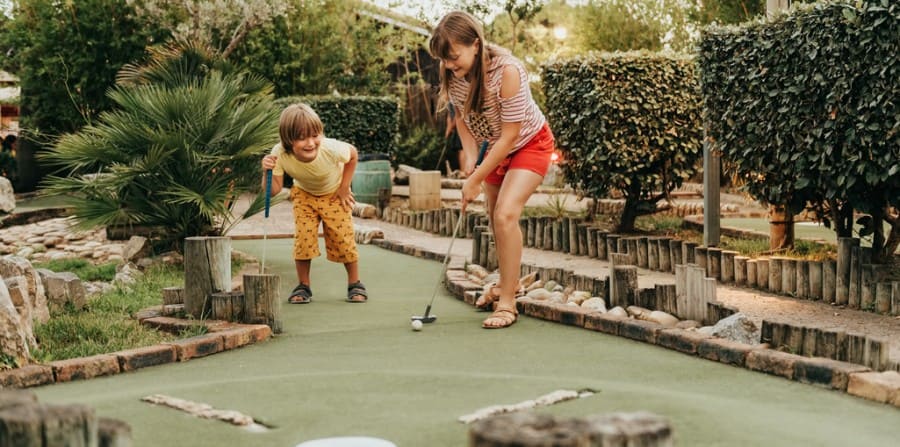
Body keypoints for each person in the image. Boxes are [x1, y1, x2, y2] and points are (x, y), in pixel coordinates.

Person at [429, 11, 555, 329]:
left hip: (529, 143)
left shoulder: (507, 72)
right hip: (495, 148)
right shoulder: (454, 74)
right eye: (444, 59)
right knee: (494, 216)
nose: (448, 65)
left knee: (505, 214)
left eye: (453, 57)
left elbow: (511, 136)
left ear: (475, 44)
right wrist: (473, 161)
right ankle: (507, 284)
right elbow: (462, 119)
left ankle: (507, 303)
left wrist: (476, 178)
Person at [260, 103, 368, 304]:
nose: (310, 143)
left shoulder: (330, 148)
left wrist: (344, 187)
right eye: (302, 138)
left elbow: (353, 155)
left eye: (315, 135)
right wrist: (267, 171)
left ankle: (355, 283)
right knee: (304, 239)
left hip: (334, 194)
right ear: (287, 139)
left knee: (343, 238)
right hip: (304, 195)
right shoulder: (279, 153)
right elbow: (273, 191)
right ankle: (304, 286)